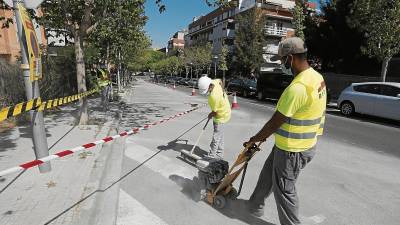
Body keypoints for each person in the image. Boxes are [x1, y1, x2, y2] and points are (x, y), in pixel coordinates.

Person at [243, 37, 327, 225]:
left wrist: (254, 139)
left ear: (290, 58)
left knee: (284, 189)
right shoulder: (316, 77)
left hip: (293, 150)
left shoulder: (297, 88)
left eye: (282, 60)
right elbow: (320, 111)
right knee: (267, 175)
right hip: (295, 145)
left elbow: (275, 122)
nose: (281, 64)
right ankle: (254, 206)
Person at [198, 76, 231, 159]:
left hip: (221, 116)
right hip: (226, 111)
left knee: (216, 137)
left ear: (209, 86)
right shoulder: (214, 82)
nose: (206, 92)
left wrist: (210, 115)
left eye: (206, 90)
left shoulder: (213, 97)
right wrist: (223, 91)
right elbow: (220, 81)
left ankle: (211, 156)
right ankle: (219, 155)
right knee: (220, 135)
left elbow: (215, 112)